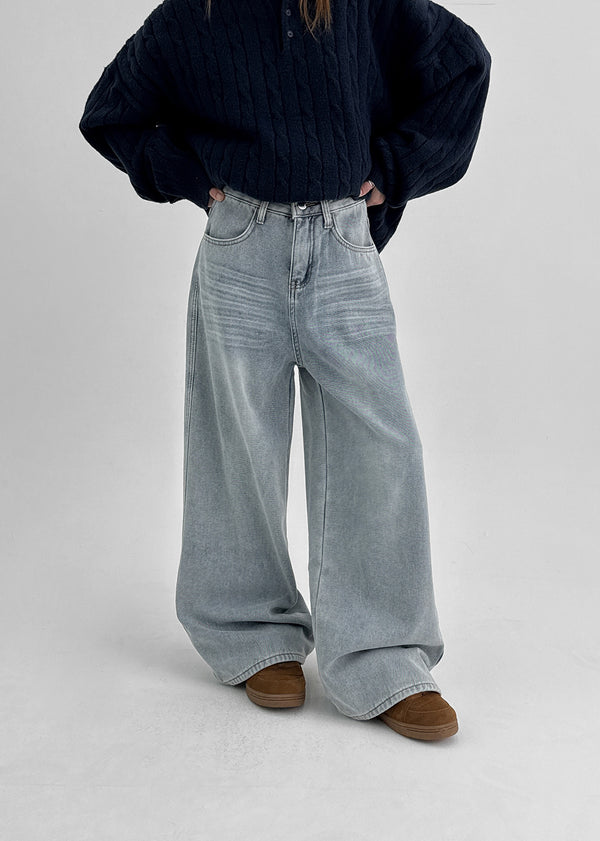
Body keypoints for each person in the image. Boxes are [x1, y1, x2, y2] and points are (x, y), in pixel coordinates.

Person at [79, 0, 491, 741]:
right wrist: (188, 175)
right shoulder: (192, 16)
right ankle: (251, 633)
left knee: (382, 447)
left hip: (341, 240)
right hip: (242, 245)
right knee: (237, 444)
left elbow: (463, 64)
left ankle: (384, 655)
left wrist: (394, 169)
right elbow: (111, 112)